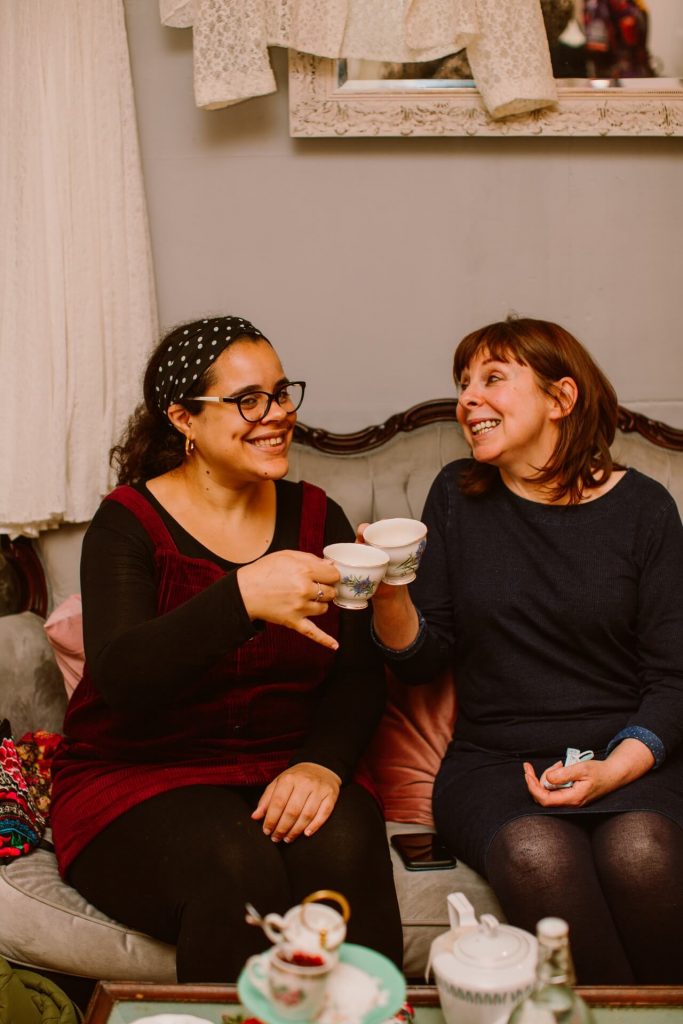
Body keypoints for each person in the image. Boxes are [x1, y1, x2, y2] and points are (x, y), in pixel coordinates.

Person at [50, 315, 403, 982]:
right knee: (238, 866)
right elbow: (122, 678)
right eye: (248, 400)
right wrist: (240, 598)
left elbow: (356, 676)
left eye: (281, 393)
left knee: (346, 845)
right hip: (139, 773)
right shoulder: (126, 523)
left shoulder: (314, 517)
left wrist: (322, 764)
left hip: (284, 761)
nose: (276, 415)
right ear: (184, 419)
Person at [365, 316, 683, 985]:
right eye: (462, 384)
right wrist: (388, 586)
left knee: (641, 850)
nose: (466, 400)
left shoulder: (644, 510)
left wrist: (610, 769)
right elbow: (423, 658)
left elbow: (673, 679)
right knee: (537, 851)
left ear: (560, 399)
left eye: (491, 379)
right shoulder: (456, 496)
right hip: (496, 763)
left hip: (628, 756)